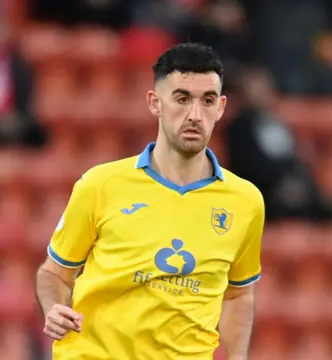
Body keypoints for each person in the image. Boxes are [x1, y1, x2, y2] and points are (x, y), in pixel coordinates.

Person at [35, 43, 264, 360]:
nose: (195, 115)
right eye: (182, 99)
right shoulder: (101, 185)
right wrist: (55, 308)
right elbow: (54, 273)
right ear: (155, 103)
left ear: (221, 107)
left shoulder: (246, 201)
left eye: (207, 101)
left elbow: (238, 295)